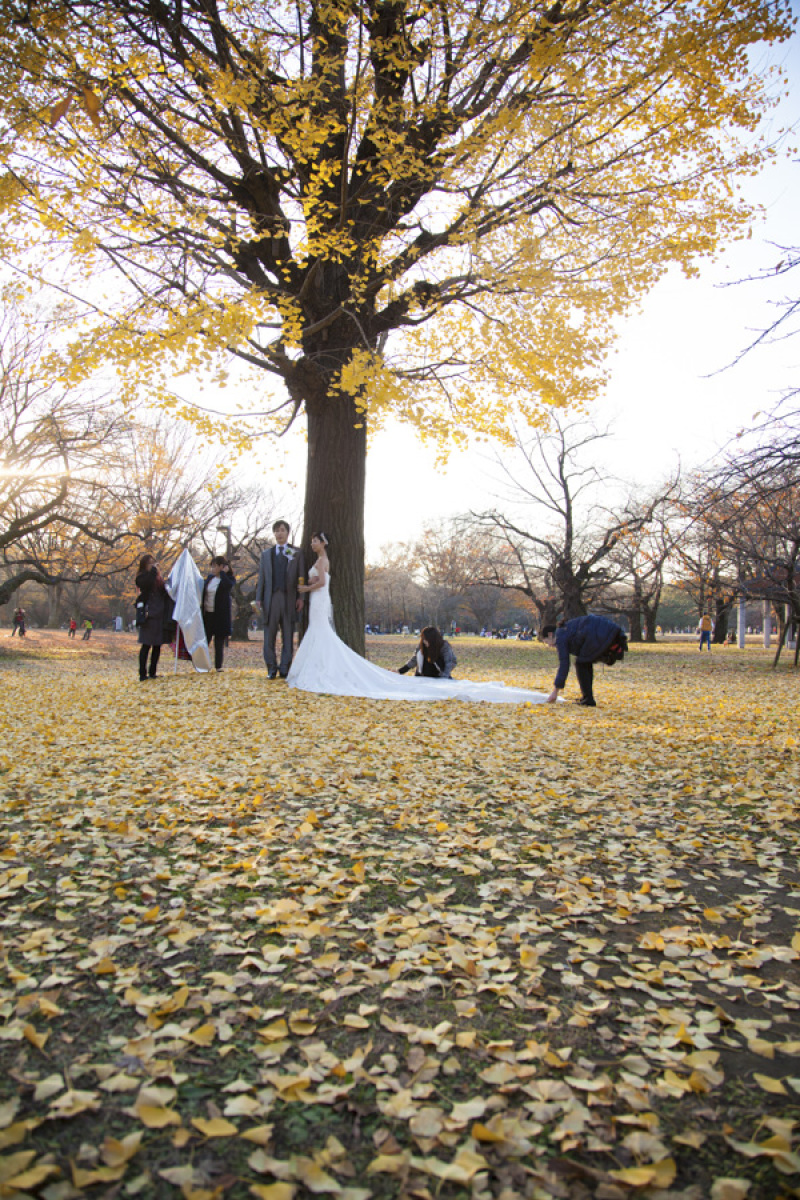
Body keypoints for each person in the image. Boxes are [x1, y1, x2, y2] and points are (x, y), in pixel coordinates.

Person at [287, 534, 552, 705]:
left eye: (315, 541)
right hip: (319, 603)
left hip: (318, 600)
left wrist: (305, 589)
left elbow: (321, 582)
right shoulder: (322, 560)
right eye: (310, 542)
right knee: (320, 635)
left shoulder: (322, 561)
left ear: (323, 543)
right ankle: (317, 665)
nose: (312, 544)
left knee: (322, 634)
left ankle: (319, 669)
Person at [255, 520, 306, 679]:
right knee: (269, 635)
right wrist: (258, 598)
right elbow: (262, 578)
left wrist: (301, 597)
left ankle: (285, 668)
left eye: (282, 530)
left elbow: (301, 576)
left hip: (289, 599)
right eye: (277, 530)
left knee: (288, 635)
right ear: (274, 533)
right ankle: (271, 668)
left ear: (287, 532)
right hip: (270, 599)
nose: (279, 533)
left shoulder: (296, 553)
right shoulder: (266, 555)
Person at [540, 615, 628, 707]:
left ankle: (588, 699)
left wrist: (555, 691)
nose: (549, 646)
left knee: (581, 663)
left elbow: (564, 664)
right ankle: (587, 697)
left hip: (599, 634)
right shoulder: (566, 629)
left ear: (550, 634)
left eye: (546, 642)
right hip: (606, 631)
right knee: (584, 662)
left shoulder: (560, 636)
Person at [135, 554, 171, 680]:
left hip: (160, 612)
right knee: (146, 644)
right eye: (149, 563)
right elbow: (147, 584)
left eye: (153, 563)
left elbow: (164, 591)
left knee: (157, 644)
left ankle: (152, 671)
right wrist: (154, 571)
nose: (152, 565)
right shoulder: (142, 577)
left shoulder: (158, 579)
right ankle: (142, 673)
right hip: (149, 614)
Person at [202, 556, 235, 671]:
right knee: (205, 639)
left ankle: (218, 666)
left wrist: (224, 573)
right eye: (212, 566)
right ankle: (203, 665)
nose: (212, 568)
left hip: (220, 615)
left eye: (215, 566)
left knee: (219, 642)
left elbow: (228, 586)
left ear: (222, 567)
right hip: (208, 614)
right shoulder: (210, 578)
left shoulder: (228, 578)